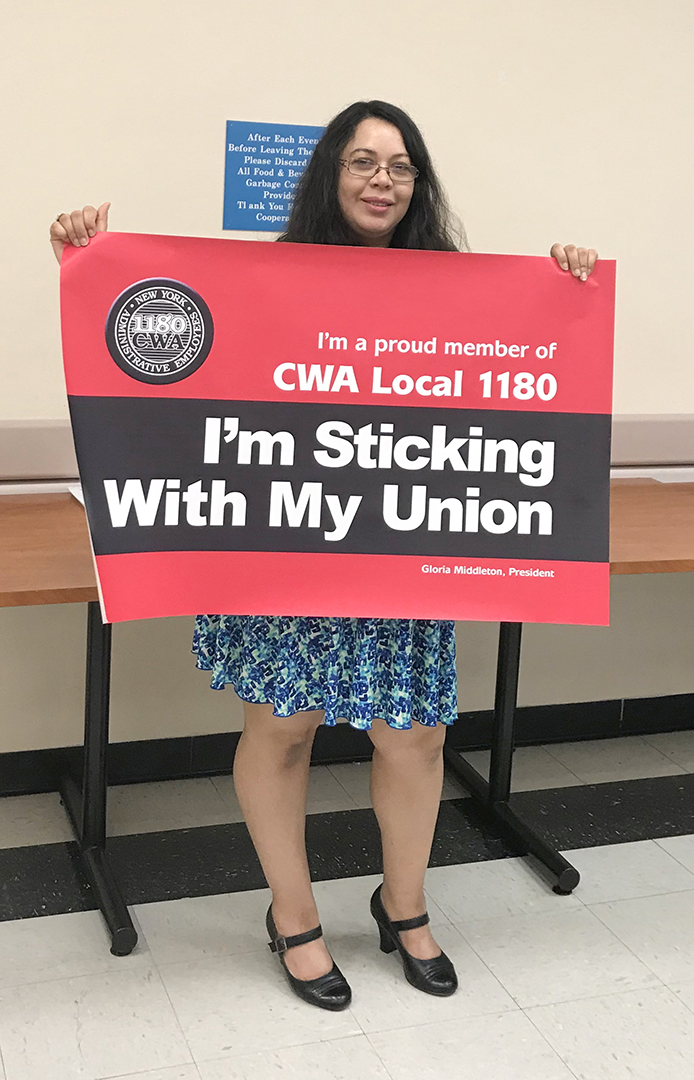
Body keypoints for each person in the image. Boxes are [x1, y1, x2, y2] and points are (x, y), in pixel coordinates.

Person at [50, 99, 598, 1012]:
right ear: (330, 173)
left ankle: (404, 905)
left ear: (419, 183)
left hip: (400, 551)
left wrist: (565, 285)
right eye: (362, 161)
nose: (383, 179)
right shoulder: (263, 279)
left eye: (401, 165)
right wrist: (90, 262)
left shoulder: (454, 287)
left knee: (413, 735)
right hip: (287, 547)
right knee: (284, 727)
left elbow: (515, 383)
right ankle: (294, 916)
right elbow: (169, 361)